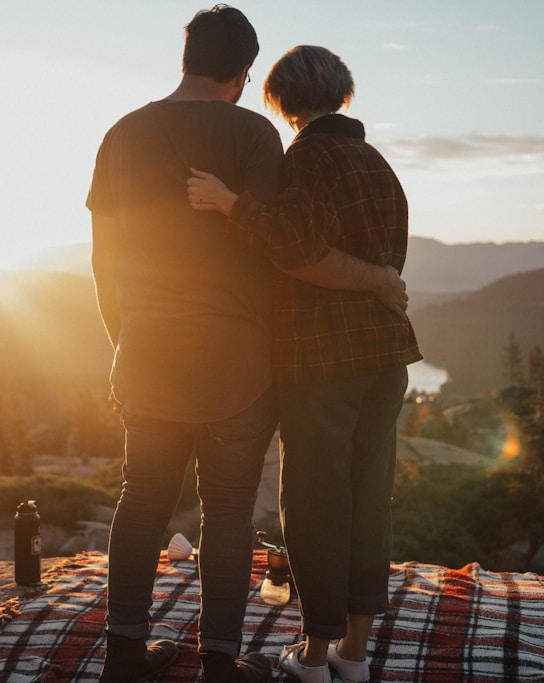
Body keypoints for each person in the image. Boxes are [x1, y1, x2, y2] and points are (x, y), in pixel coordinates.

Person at [87, 7, 407, 682]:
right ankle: (221, 662)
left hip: (147, 354)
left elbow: (103, 259)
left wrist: (128, 343)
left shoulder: (122, 134)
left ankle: (123, 653)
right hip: (238, 362)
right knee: (227, 510)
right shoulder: (255, 135)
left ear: (187, 60)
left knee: (141, 499)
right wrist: (376, 281)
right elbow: (282, 248)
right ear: (240, 73)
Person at [187, 45, 422, 683]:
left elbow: (296, 248)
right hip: (386, 355)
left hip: (324, 360)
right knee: (369, 499)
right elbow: (385, 258)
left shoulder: (308, 159)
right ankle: (354, 654)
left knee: (317, 503)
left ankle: (313, 661)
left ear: (280, 101)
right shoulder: (375, 161)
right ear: (342, 93)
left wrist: (230, 204)